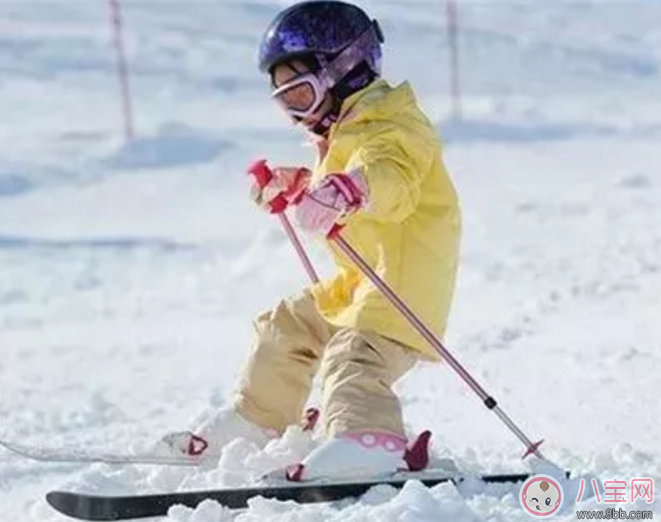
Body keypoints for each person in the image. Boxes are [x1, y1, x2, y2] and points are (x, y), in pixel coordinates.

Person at [161, 0, 461, 482]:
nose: (296, 114)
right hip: (361, 280)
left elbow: (391, 176)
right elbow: (341, 182)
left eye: (301, 95)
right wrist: (300, 185)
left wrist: (351, 188)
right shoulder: (347, 132)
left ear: (347, 70)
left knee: (353, 356)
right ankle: (255, 420)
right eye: (285, 102)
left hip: (403, 288)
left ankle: (367, 440)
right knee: (287, 327)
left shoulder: (395, 127)